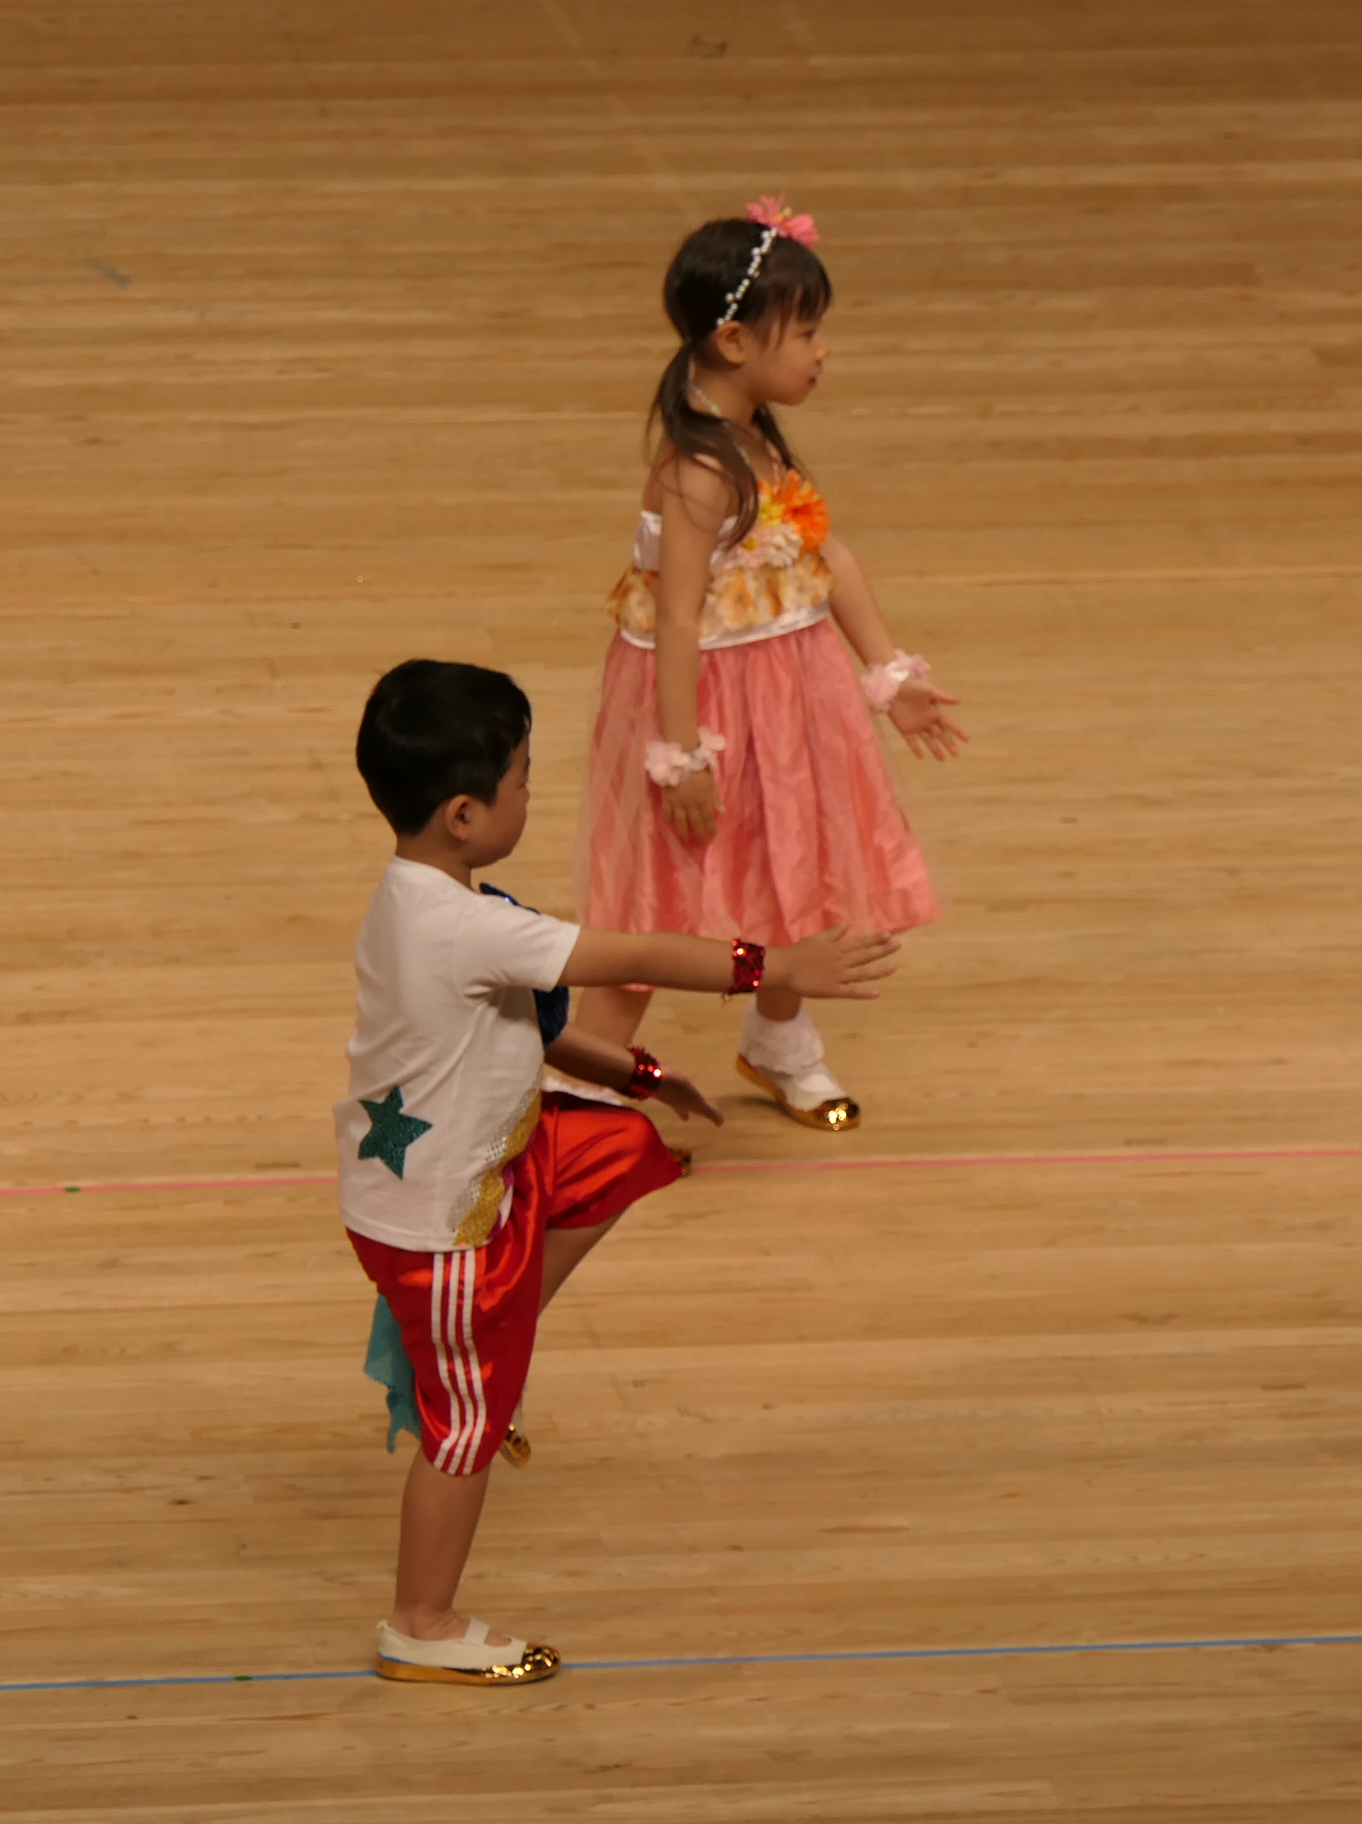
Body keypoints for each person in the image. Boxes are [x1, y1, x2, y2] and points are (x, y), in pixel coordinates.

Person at [341, 659, 897, 1685]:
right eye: (521, 779)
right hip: (444, 1222)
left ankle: (477, 1351)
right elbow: (634, 952)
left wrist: (636, 1073)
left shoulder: (420, 899)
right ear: (464, 814)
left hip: (468, 1169)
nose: (530, 793)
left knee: (617, 1150)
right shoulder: (470, 925)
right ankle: (420, 1621)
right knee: (466, 1431)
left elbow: (521, 1026)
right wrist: (775, 967)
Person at [570, 194, 962, 1133]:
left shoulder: (757, 443)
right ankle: (580, 1081)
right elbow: (676, 617)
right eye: (809, 331)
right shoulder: (698, 471)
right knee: (662, 895)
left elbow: (830, 559)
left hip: (788, 698)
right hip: (707, 708)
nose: (824, 350)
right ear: (737, 341)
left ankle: (780, 1040)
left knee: (797, 863)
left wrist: (890, 677)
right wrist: (682, 758)